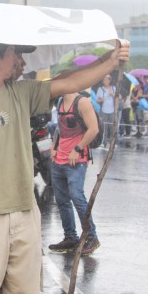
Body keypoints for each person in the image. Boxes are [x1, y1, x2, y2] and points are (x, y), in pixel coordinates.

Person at [0, 34, 129, 294]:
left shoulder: (23, 92)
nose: (20, 61)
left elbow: (70, 81)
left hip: (26, 215)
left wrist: (109, 62)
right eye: (15, 53)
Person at [49, 92, 100, 255]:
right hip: (59, 159)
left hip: (76, 160)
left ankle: (92, 237)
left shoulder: (82, 102)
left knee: (77, 196)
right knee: (62, 200)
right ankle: (70, 237)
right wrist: (54, 146)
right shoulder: (59, 102)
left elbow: (94, 129)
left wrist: (77, 149)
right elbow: (60, 127)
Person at [96, 74, 116, 147]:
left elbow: (118, 98)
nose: (106, 81)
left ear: (110, 80)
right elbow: (97, 100)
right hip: (103, 110)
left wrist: (112, 94)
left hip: (112, 110)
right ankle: (104, 142)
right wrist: (100, 100)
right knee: (104, 127)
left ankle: (112, 142)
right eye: (104, 79)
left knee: (112, 127)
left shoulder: (113, 88)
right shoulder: (100, 89)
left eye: (107, 79)